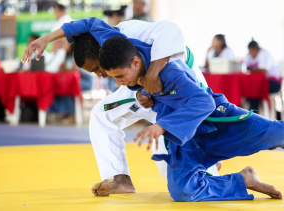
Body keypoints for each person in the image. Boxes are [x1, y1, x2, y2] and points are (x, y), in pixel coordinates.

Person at [100, 36, 284, 202]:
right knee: (181, 191)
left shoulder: (168, 70)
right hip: (188, 141)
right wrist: (141, 93)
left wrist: (161, 125)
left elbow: (203, 103)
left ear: (136, 61)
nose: (119, 83)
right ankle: (243, 179)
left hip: (220, 123)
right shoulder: (135, 75)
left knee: (282, 133)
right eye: (114, 79)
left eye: (120, 76)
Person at [21, 17, 220, 196]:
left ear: (103, 51)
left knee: (167, 167)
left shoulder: (129, 32)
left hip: (184, 92)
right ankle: (120, 179)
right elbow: (83, 24)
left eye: (97, 68)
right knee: (101, 113)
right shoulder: (113, 50)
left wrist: (151, 75)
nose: (99, 74)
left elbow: (171, 30)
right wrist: (47, 38)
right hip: (149, 89)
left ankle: (213, 168)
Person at [244, 40, 281, 112]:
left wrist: (251, 69)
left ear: (257, 49)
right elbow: (246, 67)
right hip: (260, 83)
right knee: (250, 89)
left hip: (274, 83)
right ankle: (251, 113)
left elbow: (264, 70)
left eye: (252, 51)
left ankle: (254, 114)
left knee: (255, 89)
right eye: (249, 51)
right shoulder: (249, 56)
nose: (251, 53)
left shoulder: (264, 54)